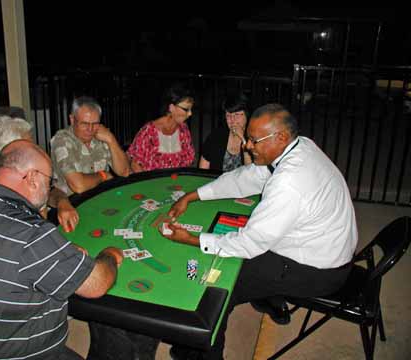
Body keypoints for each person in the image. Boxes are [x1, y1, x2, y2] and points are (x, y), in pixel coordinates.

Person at [162, 103, 358, 359]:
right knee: (241, 251)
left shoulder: (289, 181)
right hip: (324, 247)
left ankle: (200, 352)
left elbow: (248, 244)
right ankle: (267, 296)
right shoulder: (299, 146)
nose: (247, 146)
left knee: (218, 283)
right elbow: (248, 178)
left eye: (254, 140)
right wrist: (193, 195)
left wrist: (191, 238)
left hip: (320, 271)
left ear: (281, 137)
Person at [0, 140, 124, 359]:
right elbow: (96, 284)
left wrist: (56, 250)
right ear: (32, 178)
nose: (50, 188)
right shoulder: (32, 234)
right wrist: (110, 254)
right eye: (49, 181)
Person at [0, 115, 79, 233]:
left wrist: (61, 201)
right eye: (28, 149)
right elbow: (17, 238)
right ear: (9, 154)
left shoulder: (13, 171)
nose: (35, 151)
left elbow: (49, 190)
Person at [51, 96, 130, 195]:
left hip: (101, 198)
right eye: (84, 123)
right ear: (72, 119)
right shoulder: (62, 140)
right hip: (72, 204)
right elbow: (78, 186)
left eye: (95, 123)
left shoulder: (102, 135)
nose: (90, 129)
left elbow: (124, 172)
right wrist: (103, 175)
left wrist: (111, 140)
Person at [126, 83, 195, 172]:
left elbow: (189, 162)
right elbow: (135, 165)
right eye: (186, 109)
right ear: (171, 107)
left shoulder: (184, 130)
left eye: (191, 109)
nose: (190, 114)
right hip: (152, 183)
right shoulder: (148, 131)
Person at [199, 91, 252, 171]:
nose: (232, 120)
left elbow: (251, 173)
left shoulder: (254, 137)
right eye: (228, 115)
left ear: (246, 115)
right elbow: (203, 170)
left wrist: (243, 140)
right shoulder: (216, 136)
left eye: (237, 114)